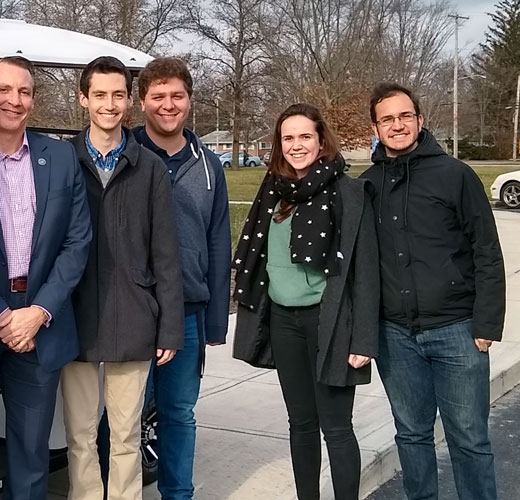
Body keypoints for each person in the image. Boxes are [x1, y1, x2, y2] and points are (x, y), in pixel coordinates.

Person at [0, 56, 93, 500]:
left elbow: (77, 243)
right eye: (4, 90)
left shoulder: (60, 157)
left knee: (31, 455)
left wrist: (38, 312)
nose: (15, 101)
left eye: (25, 91)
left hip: (40, 319)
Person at [361, 83, 504, 500]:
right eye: (387, 119)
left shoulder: (455, 175)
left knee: (470, 438)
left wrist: (487, 322)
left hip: (458, 329)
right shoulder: (367, 185)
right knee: (411, 434)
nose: (397, 125)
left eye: (405, 116)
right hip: (396, 337)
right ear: (376, 127)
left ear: (420, 121)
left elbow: (487, 251)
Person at [230, 103, 380, 500]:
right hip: (283, 321)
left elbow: (364, 268)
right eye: (288, 138)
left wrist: (363, 338)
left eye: (305, 136)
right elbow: (257, 258)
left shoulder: (347, 191)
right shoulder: (273, 192)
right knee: (300, 423)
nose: (297, 145)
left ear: (320, 139)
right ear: (280, 145)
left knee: (336, 426)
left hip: (328, 322)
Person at [63, 55, 183, 500]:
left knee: (126, 435)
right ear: (83, 100)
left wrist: (168, 324)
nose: (109, 104)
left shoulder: (149, 167)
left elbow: (166, 254)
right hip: (75, 316)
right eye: (99, 95)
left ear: (128, 101)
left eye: (117, 95)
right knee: (78, 436)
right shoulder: (62, 160)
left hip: (133, 315)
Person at [129, 56, 231, 500]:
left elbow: (218, 243)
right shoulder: (124, 153)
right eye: (158, 97)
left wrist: (214, 320)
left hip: (187, 312)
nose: (168, 105)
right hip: (130, 311)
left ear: (189, 100)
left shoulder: (209, 166)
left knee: (178, 414)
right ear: (141, 102)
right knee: (121, 418)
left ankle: (178, 494)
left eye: (177, 96)